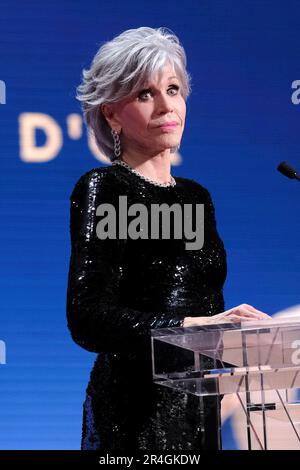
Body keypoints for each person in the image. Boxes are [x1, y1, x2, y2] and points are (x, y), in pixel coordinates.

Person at [66, 26, 272, 452]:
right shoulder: (105, 190)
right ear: (110, 113)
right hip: (133, 415)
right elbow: (88, 317)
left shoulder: (196, 198)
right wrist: (186, 327)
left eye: (174, 90)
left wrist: (238, 334)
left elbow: (207, 307)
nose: (166, 106)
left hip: (200, 410)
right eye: (145, 95)